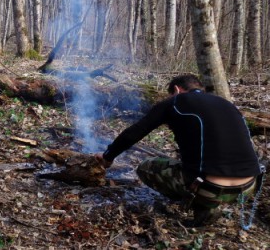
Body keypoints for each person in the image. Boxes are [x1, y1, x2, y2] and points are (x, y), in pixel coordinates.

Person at [96, 74, 264, 227]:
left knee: (145, 167)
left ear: (176, 90)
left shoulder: (175, 102)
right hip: (248, 187)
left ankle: (204, 205)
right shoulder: (227, 104)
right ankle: (210, 201)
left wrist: (108, 157)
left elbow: (134, 133)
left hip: (210, 188)